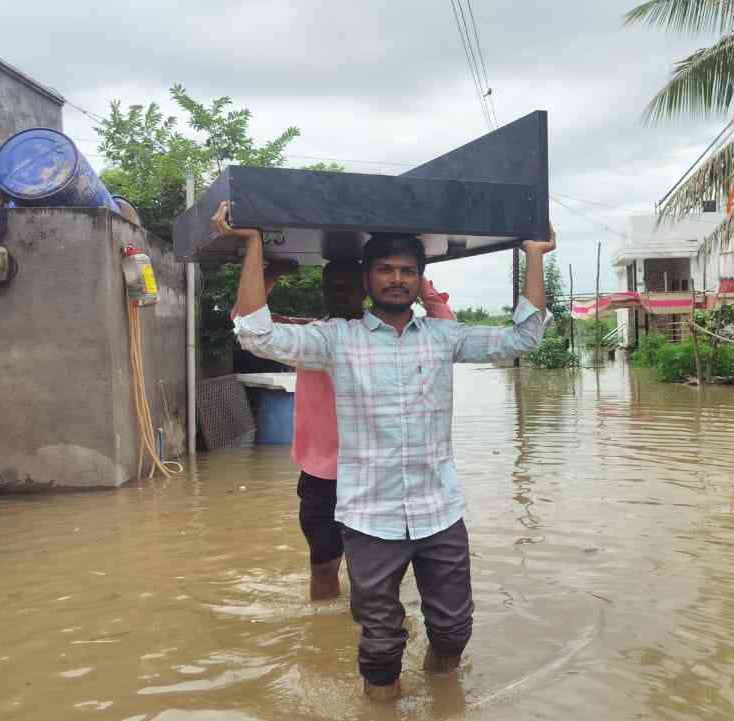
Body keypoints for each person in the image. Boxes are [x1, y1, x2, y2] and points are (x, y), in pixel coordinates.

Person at [213, 201, 554, 700]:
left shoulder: (444, 337)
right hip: (370, 517)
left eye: (407, 271)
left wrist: (535, 255)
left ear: (420, 280)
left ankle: (445, 703)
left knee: (454, 629)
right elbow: (256, 333)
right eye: (386, 270)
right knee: (379, 644)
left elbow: (523, 337)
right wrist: (252, 243)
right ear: (369, 278)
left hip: (440, 512)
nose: (397, 279)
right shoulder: (335, 340)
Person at [230, 257, 456, 601]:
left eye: (349, 285)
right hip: (323, 475)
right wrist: (270, 274)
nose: (339, 292)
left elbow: (448, 332)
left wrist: (420, 283)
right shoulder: (309, 337)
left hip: (380, 475)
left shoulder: (393, 340)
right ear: (323, 290)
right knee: (323, 565)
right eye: (332, 286)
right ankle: (324, 637)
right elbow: (245, 324)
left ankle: (376, 636)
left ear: (365, 288)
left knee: (383, 573)